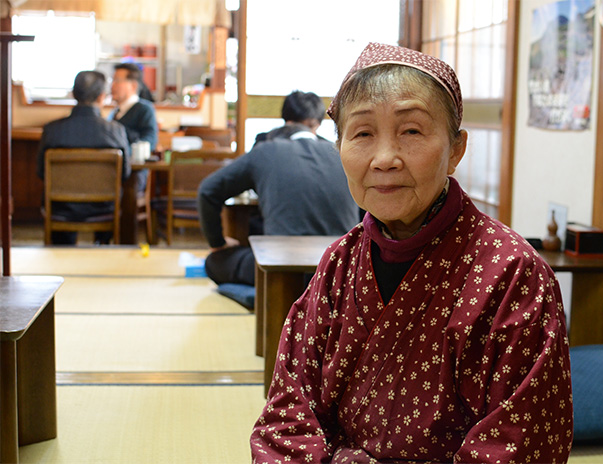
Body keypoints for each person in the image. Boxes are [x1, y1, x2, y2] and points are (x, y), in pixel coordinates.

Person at [250, 43, 573, 463]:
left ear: (456, 150)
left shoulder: (513, 273)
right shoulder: (339, 263)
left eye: (412, 131)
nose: (385, 159)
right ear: (339, 149)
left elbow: (520, 441)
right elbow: (288, 411)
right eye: (363, 134)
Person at [197, 90, 359, 287]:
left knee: (214, 262)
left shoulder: (266, 150)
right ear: (318, 124)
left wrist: (218, 243)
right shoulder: (342, 153)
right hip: (343, 270)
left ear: (285, 121)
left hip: (283, 271)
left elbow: (208, 190)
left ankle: (256, 296)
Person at [37, 70, 131, 245]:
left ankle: (61, 253)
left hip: (60, 207)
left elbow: (41, 172)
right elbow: (124, 174)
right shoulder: (115, 131)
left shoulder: (52, 130)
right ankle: (102, 248)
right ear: (102, 97)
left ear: (74, 94)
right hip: (103, 207)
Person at [109, 62, 158, 191]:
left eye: (117, 81)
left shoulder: (144, 109)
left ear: (133, 85)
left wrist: (123, 154)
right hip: (111, 168)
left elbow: (149, 141)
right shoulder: (113, 112)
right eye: (112, 80)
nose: (112, 85)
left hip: (133, 172)